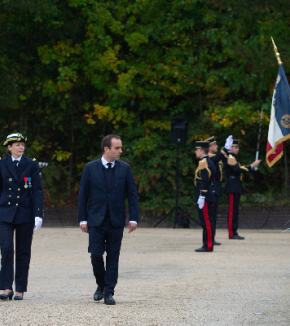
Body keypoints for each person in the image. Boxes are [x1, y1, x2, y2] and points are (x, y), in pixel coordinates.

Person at [78, 134, 139, 305]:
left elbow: (132, 195)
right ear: (106, 149)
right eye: (117, 148)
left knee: (113, 256)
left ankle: (109, 292)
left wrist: (133, 218)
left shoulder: (125, 168)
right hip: (95, 220)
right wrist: (82, 219)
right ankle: (101, 284)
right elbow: (83, 195)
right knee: (96, 254)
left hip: (116, 220)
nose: (121, 151)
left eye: (120, 147)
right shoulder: (90, 168)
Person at [0, 133, 44, 301]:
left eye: (22, 144)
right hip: (5, 212)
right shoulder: (2, 164)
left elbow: (37, 189)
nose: (21, 147)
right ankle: (5, 286)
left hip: (25, 212)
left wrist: (38, 213)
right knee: (6, 248)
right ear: (9, 147)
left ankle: (19, 288)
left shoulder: (31, 164)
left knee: (23, 251)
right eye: (17, 144)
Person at [223, 139, 261, 239]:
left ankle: (234, 232)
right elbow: (238, 169)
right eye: (235, 147)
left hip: (235, 185)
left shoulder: (233, 157)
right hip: (232, 185)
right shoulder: (230, 157)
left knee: (235, 210)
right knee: (232, 210)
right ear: (230, 147)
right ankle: (232, 233)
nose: (237, 149)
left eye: (238, 147)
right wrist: (252, 166)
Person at [206, 136, 232, 245]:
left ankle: (212, 237)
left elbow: (221, 159)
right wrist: (225, 148)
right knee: (211, 215)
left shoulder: (215, 156)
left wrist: (227, 151)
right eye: (215, 145)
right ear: (210, 147)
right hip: (211, 188)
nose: (217, 146)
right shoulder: (208, 157)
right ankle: (209, 238)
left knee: (214, 215)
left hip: (216, 187)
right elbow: (216, 159)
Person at [194, 140, 216, 252]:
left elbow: (205, 180)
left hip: (205, 196)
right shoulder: (208, 160)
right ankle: (208, 244)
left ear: (202, 150)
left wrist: (202, 195)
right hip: (207, 195)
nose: (195, 152)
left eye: (197, 150)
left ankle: (207, 245)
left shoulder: (204, 162)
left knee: (206, 221)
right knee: (207, 221)